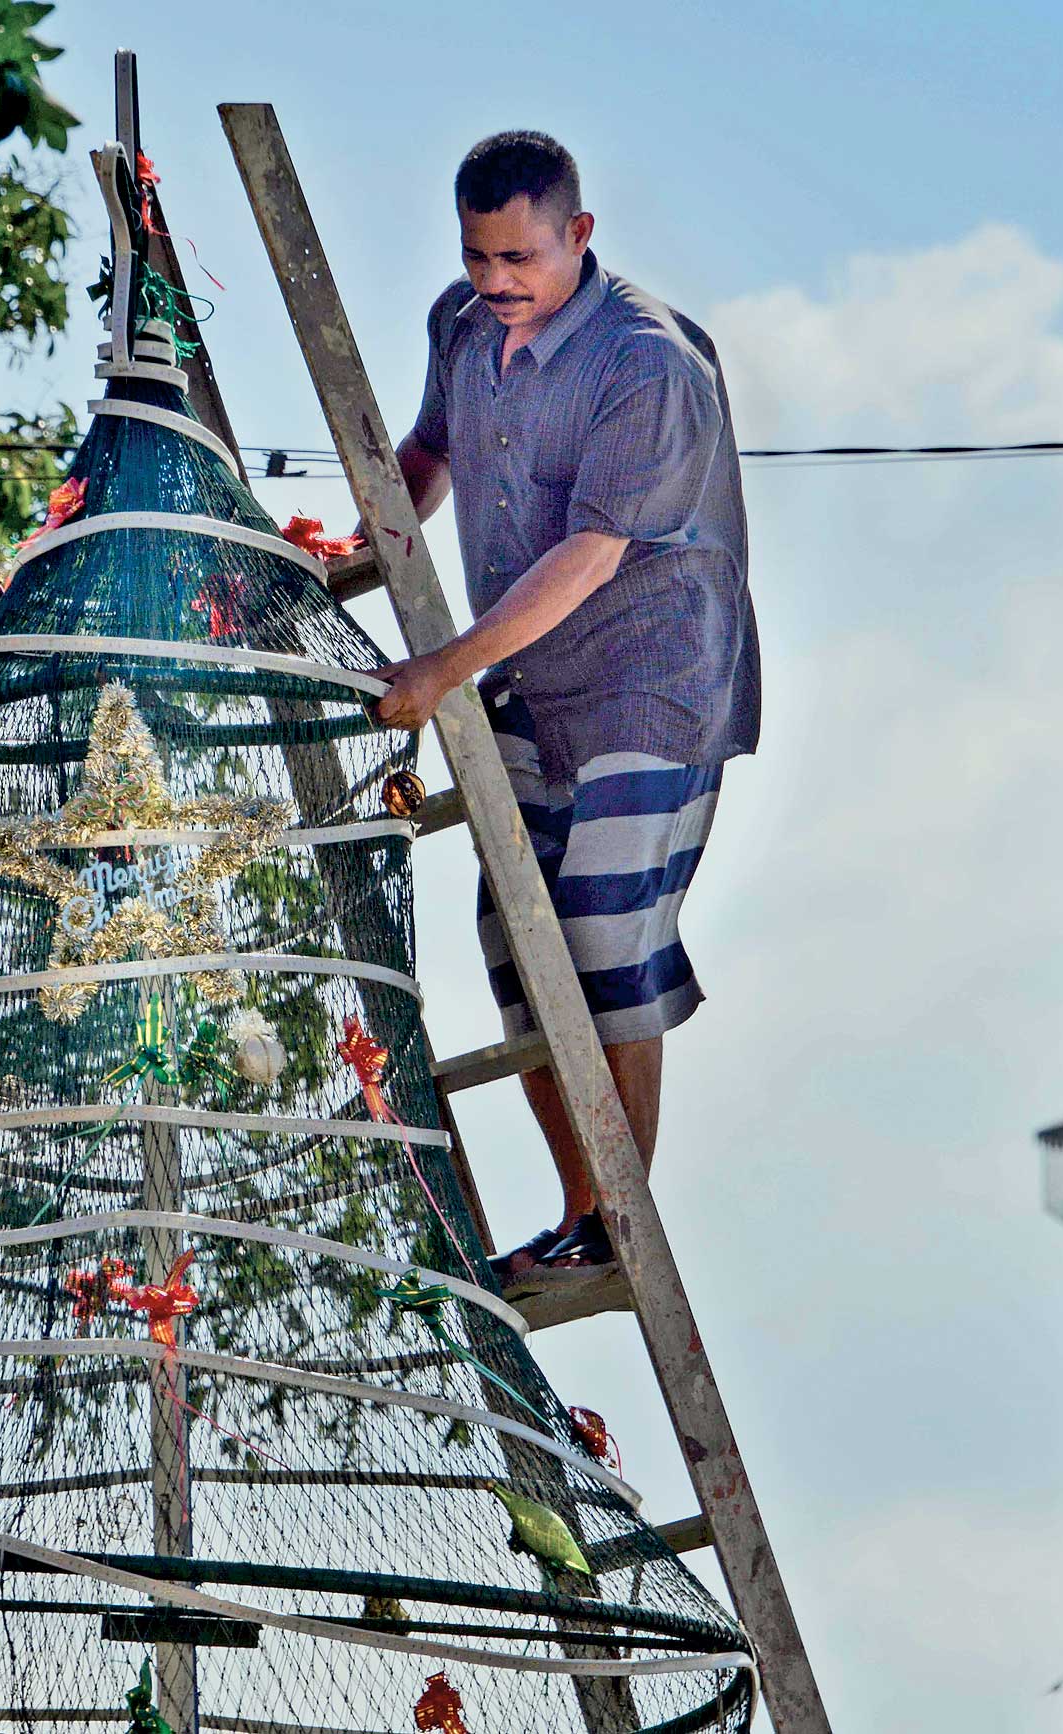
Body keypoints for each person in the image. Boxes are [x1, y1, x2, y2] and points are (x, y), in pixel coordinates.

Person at [369, 130, 758, 1292]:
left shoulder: (648, 363)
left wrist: (437, 669)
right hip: (532, 672)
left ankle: (619, 1226)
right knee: (513, 939)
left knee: (599, 928)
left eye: (521, 258)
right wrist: (365, 535)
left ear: (579, 237)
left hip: (656, 674)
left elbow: (593, 554)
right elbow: (430, 452)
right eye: (479, 255)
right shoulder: (462, 324)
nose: (498, 281)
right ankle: (584, 1205)